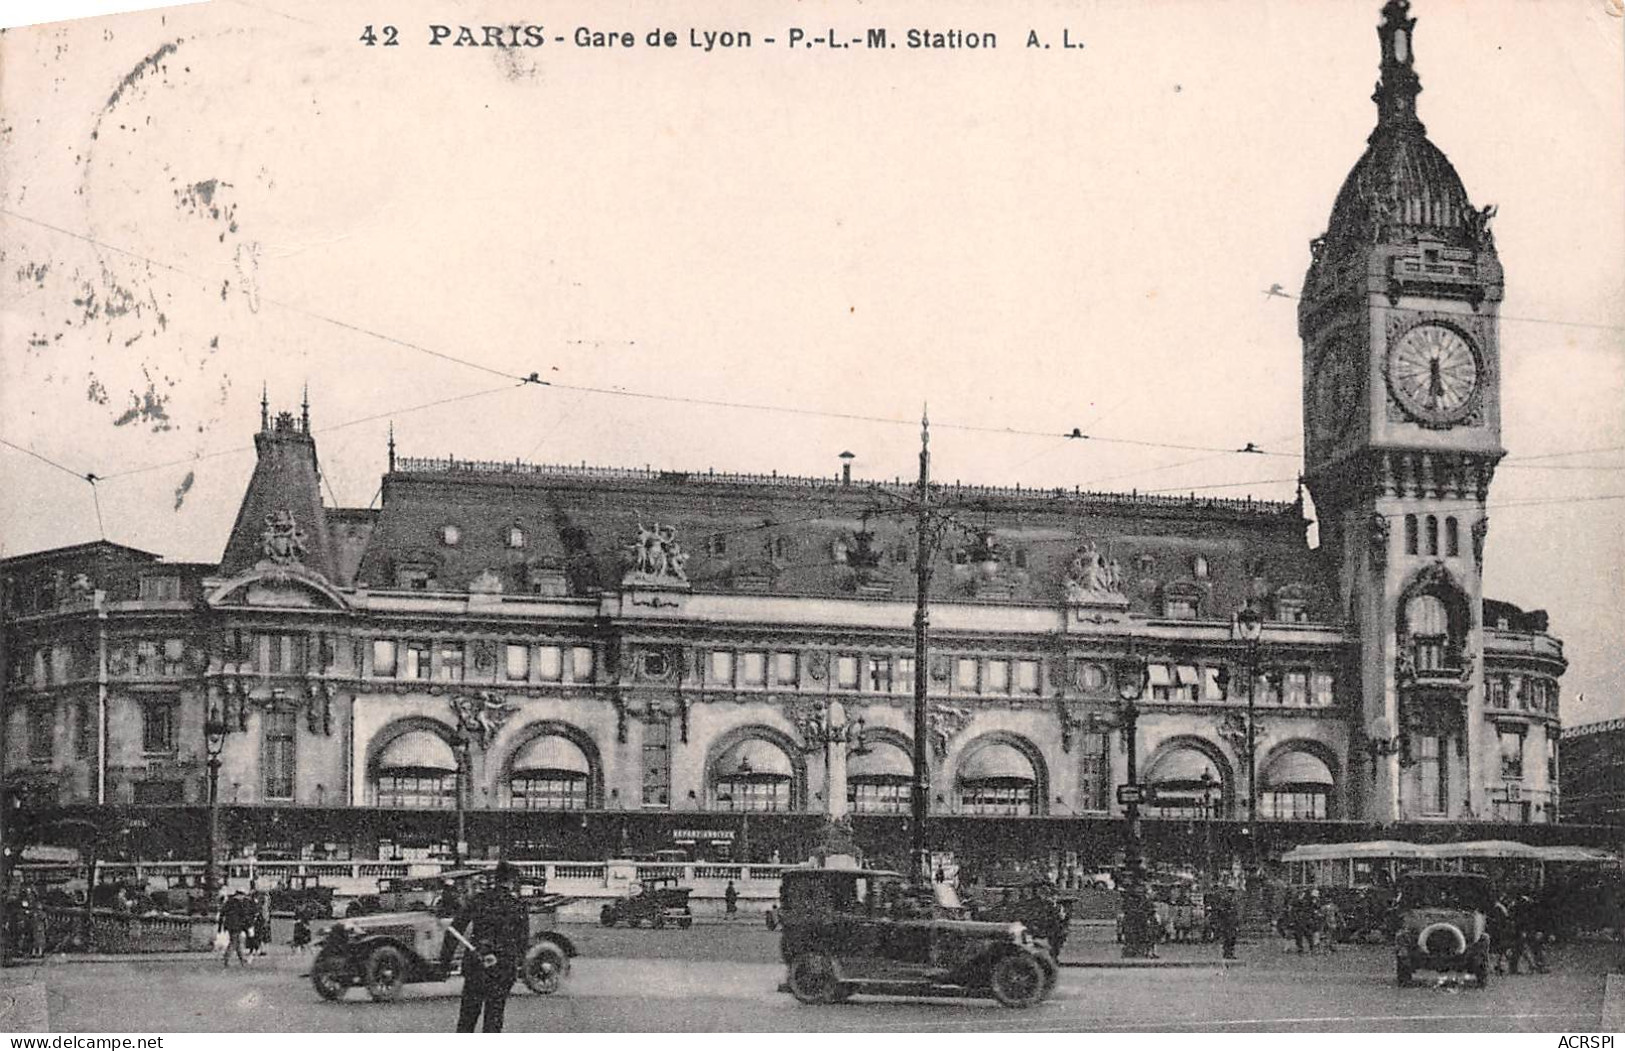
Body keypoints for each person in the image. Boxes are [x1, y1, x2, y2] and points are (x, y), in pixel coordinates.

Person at [451, 862, 529, 1033]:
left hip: (476, 962)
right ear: (512, 882)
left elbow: (454, 929)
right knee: (494, 1018)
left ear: (496, 879)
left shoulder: (478, 900)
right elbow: (522, 942)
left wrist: (444, 962)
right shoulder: (518, 906)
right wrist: (515, 964)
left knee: (467, 1018)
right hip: (502, 968)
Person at [219, 890, 251, 967]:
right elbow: (244, 915)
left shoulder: (229, 902)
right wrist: (247, 926)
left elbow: (222, 913)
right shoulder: (240, 904)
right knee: (234, 942)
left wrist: (221, 926)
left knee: (237, 943)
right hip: (237, 925)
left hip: (229, 925)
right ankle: (227, 958)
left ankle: (242, 959)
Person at [1209, 881, 1240, 960]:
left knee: (1232, 938)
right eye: (1230, 892)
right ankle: (1226, 953)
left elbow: (1236, 911)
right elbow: (1220, 909)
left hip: (1232, 921)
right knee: (1227, 938)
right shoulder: (1224, 900)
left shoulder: (1234, 900)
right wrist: (1227, 912)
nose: (1231, 894)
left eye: (1232, 892)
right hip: (1226, 922)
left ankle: (1230, 952)